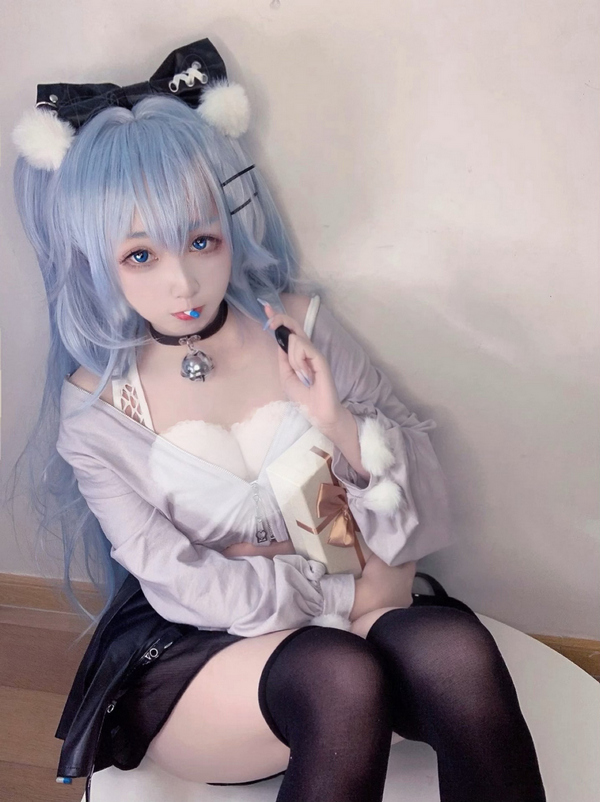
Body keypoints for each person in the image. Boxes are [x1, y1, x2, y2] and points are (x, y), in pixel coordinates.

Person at [10, 38, 546, 802]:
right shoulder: (97, 410)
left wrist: (338, 422)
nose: (183, 281)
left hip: (358, 607)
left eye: (201, 241)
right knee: (339, 674)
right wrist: (337, 596)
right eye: (140, 256)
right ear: (98, 260)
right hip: (208, 657)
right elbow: (179, 580)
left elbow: (415, 506)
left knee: (458, 652)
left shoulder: (298, 325)